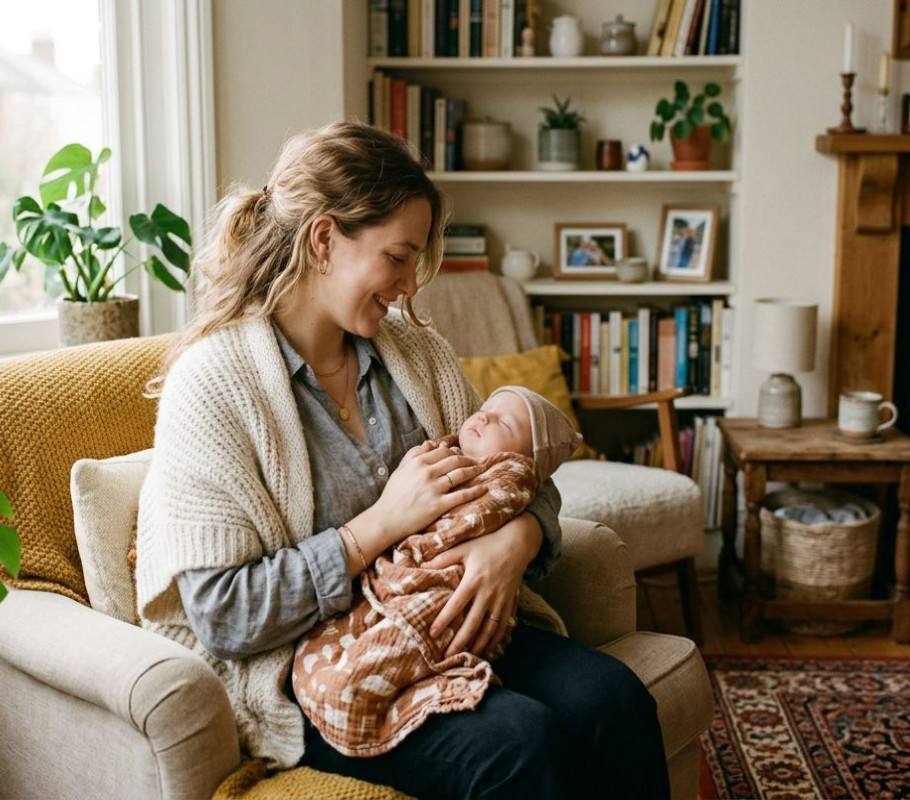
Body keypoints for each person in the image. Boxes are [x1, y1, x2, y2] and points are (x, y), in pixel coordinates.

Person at [134, 121, 668, 800]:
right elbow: (225, 614)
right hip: (328, 673)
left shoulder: (414, 354)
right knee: (521, 745)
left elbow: (519, 475)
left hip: (449, 629)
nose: (412, 284)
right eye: (398, 256)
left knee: (614, 701)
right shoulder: (213, 386)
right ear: (324, 239)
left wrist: (516, 540)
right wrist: (378, 527)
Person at [292, 386, 582, 758]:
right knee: (524, 738)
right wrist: (387, 520)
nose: (483, 416)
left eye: (504, 422)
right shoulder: (457, 451)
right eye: (486, 409)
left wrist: (520, 538)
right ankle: (353, 689)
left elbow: (536, 480)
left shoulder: (504, 472)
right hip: (371, 597)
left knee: (616, 695)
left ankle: (359, 698)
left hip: (447, 602)